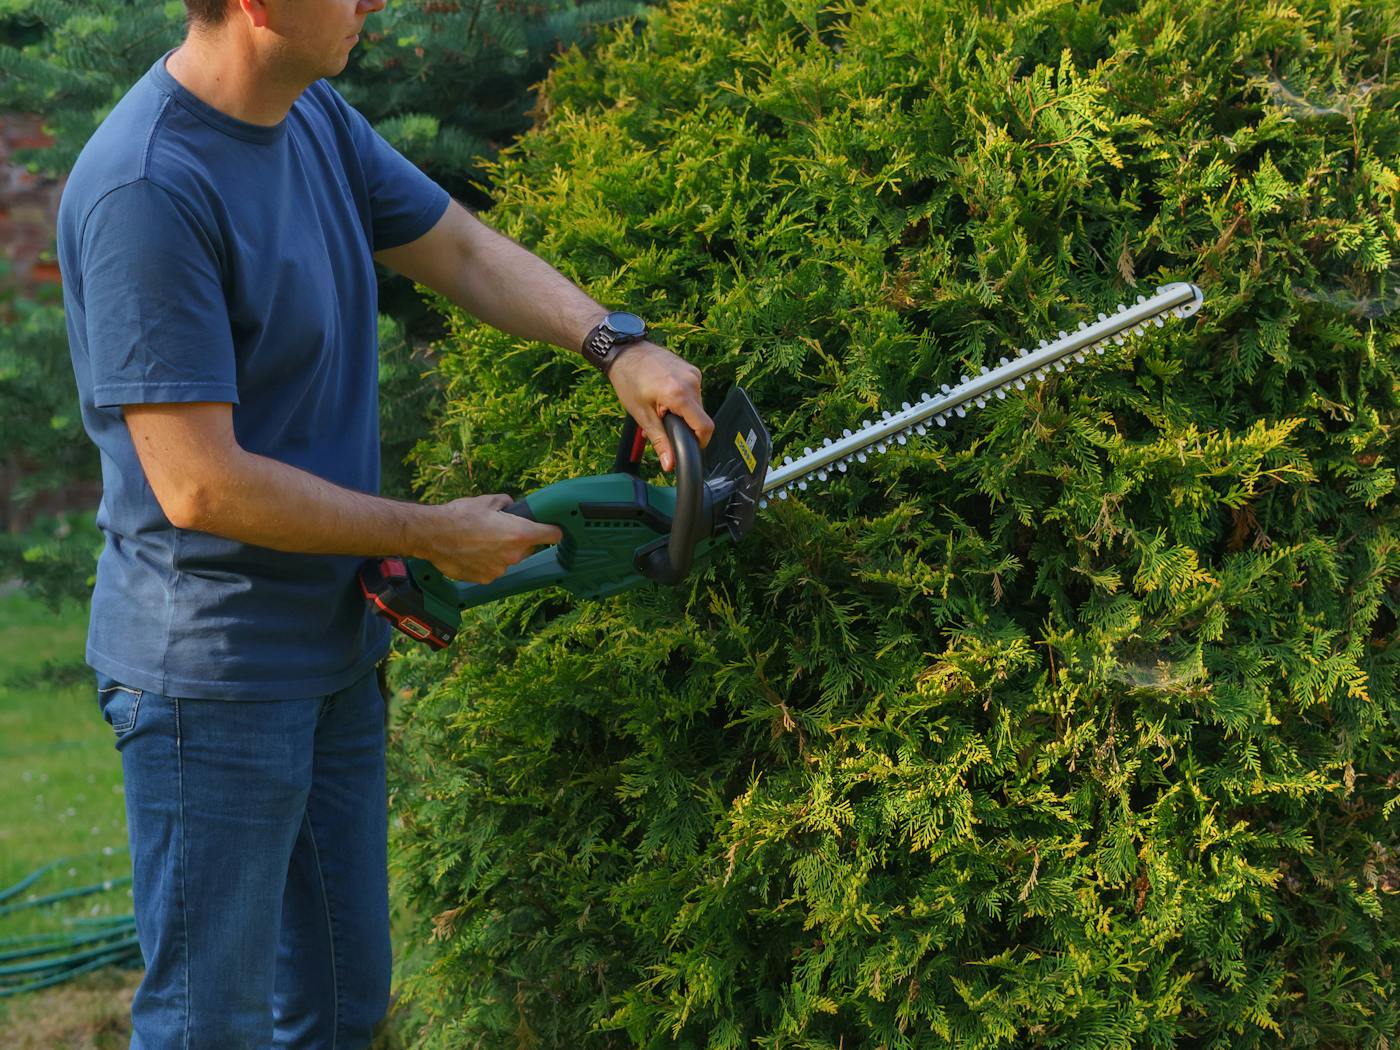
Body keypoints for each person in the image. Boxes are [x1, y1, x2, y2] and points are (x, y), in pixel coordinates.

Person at [55, 0, 715, 1045]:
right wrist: (432, 530)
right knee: (207, 1025)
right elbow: (200, 487)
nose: (371, 3)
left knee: (341, 1004)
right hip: (212, 683)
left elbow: (453, 248)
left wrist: (612, 345)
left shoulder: (312, 119)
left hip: (331, 658)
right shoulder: (149, 187)